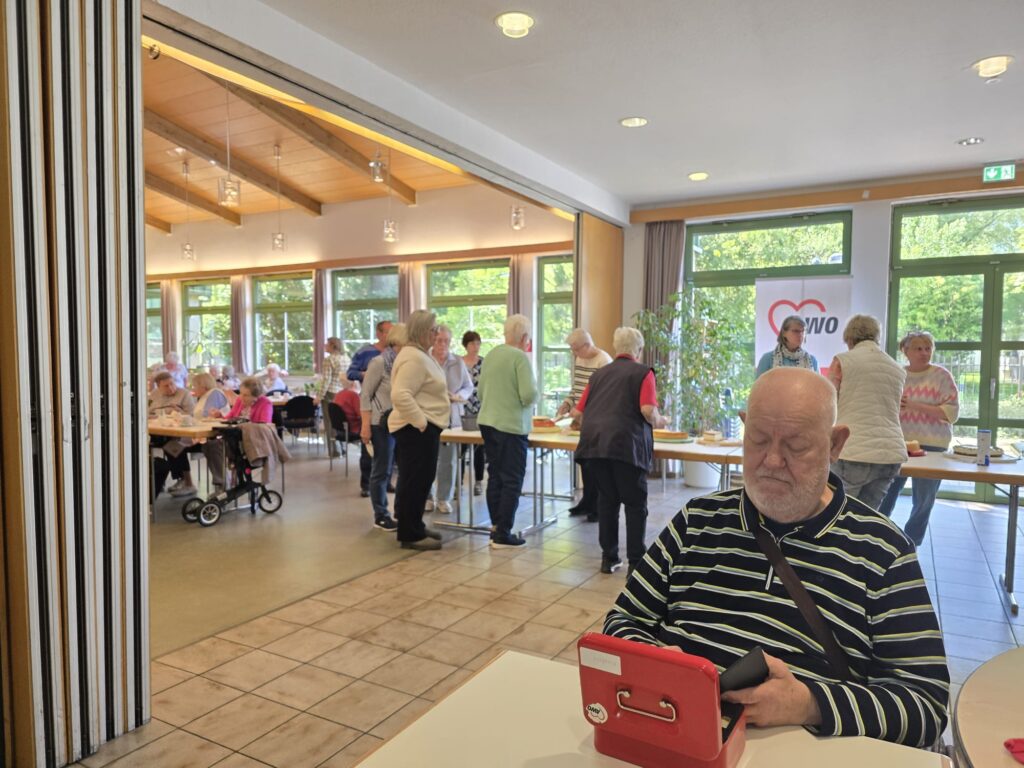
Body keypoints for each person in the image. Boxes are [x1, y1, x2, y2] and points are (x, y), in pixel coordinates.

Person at [604, 368, 949, 748]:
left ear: (835, 444)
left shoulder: (882, 551)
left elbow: (927, 706)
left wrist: (810, 704)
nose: (771, 460)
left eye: (796, 446)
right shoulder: (696, 521)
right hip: (679, 741)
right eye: (758, 439)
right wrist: (655, 661)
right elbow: (623, 620)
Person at [573, 327, 667, 574]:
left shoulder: (598, 374)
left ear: (616, 348)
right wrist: (660, 421)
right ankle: (635, 562)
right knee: (635, 505)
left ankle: (609, 558)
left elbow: (578, 412)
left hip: (595, 446)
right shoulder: (643, 373)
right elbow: (647, 410)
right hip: (627, 446)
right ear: (639, 349)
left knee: (607, 501)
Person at [877, 331, 960, 545]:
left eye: (928, 348)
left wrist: (914, 405)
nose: (924, 353)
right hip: (898, 443)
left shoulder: (941, 376)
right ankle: (878, 537)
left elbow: (951, 414)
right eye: (918, 348)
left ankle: (912, 543)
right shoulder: (897, 374)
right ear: (905, 351)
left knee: (924, 500)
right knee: (886, 494)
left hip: (933, 445)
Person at [827, 314, 907, 509]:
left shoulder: (843, 361)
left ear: (849, 338)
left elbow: (828, 402)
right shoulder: (896, 368)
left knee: (837, 514)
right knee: (867, 517)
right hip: (890, 454)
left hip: (852, 451)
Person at [477, 314, 538, 549]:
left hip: (488, 422)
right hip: (511, 426)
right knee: (512, 479)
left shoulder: (492, 355)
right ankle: (503, 533)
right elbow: (528, 395)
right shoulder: (519, 358)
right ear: (524, 337)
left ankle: (495, 527)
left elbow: (480, 392)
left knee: (495, 475)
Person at [389, 310, 448, 551]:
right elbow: (400, 395)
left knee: (419, 480)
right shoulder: (413, 357)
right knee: (415, 481)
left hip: (420, 427)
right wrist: (421, 422)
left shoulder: (420, 354)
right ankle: (410, 533)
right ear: (422, 332)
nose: (436, 334)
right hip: (415, 429)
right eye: (433, 330)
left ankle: (415, 525)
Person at [556, 328, 613, 520]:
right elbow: (577, 389)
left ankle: (596, 507)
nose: (574, 353)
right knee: (584, 461)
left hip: (597, 420)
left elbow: (604, 395)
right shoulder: (580, 359)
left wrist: (581, 409)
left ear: (587, 345)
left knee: (594, 464)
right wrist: (568, 403)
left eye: (576, 348)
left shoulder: (604, 361)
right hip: (582, 420)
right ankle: (587, 502)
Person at [360, 323, 405, 531]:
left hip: (401, 423)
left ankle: (400, 512)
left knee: (402, 469)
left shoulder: (405, 363)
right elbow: (365, 395)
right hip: (380, 423)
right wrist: (365, 426)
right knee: (382, 470)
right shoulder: (379, 362)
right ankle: (381, 515)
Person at [428, 325, 473, 514]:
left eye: (446, 341)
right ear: (432, 340)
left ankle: (443, 498)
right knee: (428, 459)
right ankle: (427, 497)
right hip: (429, 415)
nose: (443, 344)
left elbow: (468, 386)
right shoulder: (425, 360)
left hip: (451, 416)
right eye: (439, 340)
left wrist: (458, 396)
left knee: (449, 460)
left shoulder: (457, 362)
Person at [147, 371, 198, 498]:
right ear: (158, 386)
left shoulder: (184, 394)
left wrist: (180, 412)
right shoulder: (154, 394)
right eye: (166, 386)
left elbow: (192, 415)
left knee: (172, 443)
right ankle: (157, 480)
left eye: (172, 383)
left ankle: (186, 481)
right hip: (159, 430)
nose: (170, 388)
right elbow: (147, 412)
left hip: (182, 433)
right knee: (146, 443)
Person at [191, 372, 229, 487]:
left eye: (195, 386)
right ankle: (183, 479)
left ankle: (221, 481)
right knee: (173, 444)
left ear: (203, 386)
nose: (193, 389)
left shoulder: (214, 393)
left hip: (219, 434)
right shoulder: (203, 396)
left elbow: (207, 414)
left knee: (211, 445)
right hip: (204, 432)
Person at [333, 378, 372, 492]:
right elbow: (360, 414)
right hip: (354, 429)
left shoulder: (339, 394)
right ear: (355, 383)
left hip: (341, 430)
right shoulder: (354, 396)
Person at [460, 330, 486, 496]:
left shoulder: (484, 363)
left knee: (479, 447)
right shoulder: (459, 363)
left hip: (480, 407)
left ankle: (478, 481)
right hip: (462, 407)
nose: (475, 346)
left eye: (477, 343)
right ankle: (459, 482)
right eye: (472, 343)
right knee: (461, 448)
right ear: (466, 345)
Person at [319, 336, 352, 460]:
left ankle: (335, 451)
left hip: (331, 393)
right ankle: (343, 449)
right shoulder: (347, 359)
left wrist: (319, 396)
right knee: (341, 421)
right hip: (343, 393)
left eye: (327, 344)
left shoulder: (329, 360)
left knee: (330, 423)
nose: (325, 346)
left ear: (333, 346)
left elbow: (326, 380)